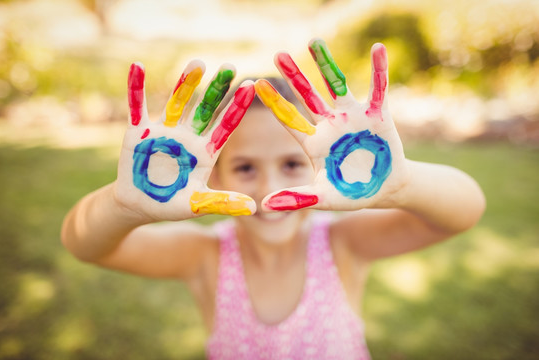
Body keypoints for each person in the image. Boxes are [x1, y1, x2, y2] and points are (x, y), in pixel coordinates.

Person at [61, 38, 485, 359]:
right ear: (217, 174)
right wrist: (122, 205)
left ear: (320, 165)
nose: (267, 190)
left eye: (292, 163)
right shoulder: (204, 257)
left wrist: (405, 183)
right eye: (245, 168)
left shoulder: (344, 244)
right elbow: (84, 244)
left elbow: (464, 211)